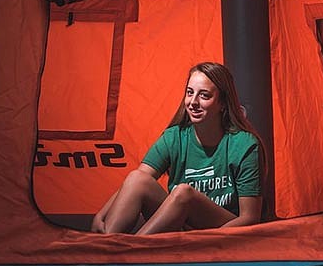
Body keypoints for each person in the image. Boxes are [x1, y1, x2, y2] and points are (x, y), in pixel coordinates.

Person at [91, 62, 264, 234]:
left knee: (184, 193)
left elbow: (249, 217)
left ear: (223, 104)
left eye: (204, 95)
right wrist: (101, 214)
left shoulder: (244, 144)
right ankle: (108, 247)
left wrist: (204, 240)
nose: (193, 102)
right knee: (137, 177)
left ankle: (135, 249)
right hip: (178, 223)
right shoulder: (175, 136)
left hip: (221, 229)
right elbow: (134, 183)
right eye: (190, 93)